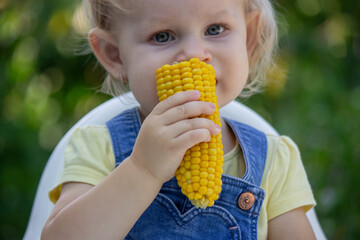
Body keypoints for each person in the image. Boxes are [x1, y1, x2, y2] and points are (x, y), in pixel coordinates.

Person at [41, 0, 316, 239]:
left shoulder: (274, 161)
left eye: (215, 29)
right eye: (162, 36)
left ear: (248, 39)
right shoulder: (99, 146)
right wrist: (142, 169)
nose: (195, 53)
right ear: (115, 55)